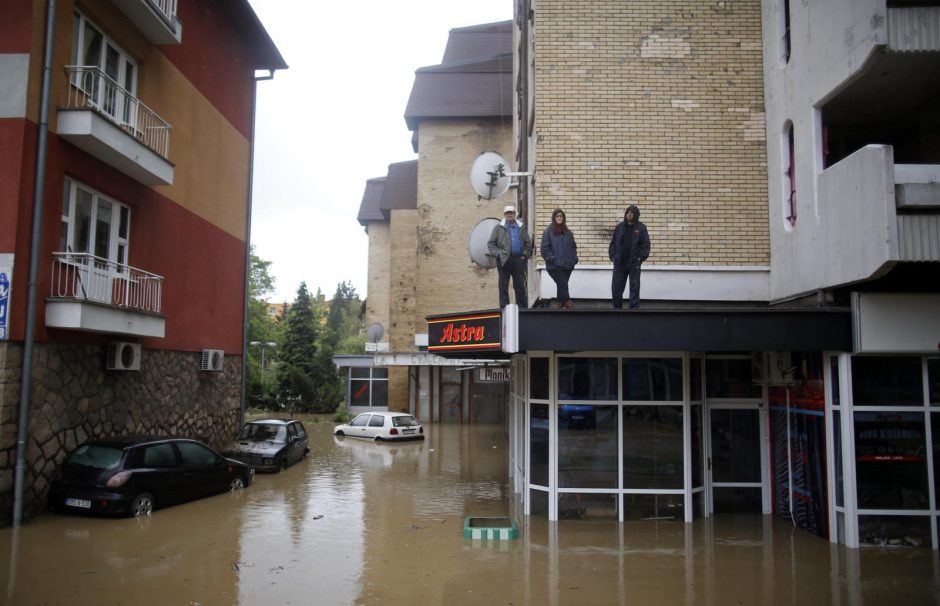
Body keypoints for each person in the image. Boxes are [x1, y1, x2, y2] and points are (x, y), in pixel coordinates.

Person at [488, 205, 533, 308]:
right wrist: (498, 254)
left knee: (520, 286)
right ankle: (504, 308)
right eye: (507, 213)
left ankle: (522, 309)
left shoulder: (521, 227)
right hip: (504, 260)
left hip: (518, 260)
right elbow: (491, 244)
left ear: (514, 214)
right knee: (503, 286)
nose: (509, 215)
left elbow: (528, 243)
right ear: (504, 215)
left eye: (511, 213)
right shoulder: (498, 228)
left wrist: (525, 255)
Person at [608, 204, 650, 309]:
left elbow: (646, 245)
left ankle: (634, 312)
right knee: (616, 289)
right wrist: (613, 256)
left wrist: (640, 258)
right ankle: (617, 310)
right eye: (628, 212)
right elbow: (613, 243)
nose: (629, 214)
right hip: (619, 263)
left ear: (636, 215)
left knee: (634, 289)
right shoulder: (619, 227)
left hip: (634, 264)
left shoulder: (641, 228)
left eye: (632, 213)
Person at [540, 209, 578, 308]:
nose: (559, 218)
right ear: (554, 218)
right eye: (557, 216)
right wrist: (553, 259)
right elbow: (544, 250)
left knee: (561, 286)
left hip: (567, 265)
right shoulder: (548, 232)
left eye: (561, 216)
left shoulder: (568, 232)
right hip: (554, 266)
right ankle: (568, 302)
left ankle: (560, 304)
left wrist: (574, 259)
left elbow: (573, 246)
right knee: (563, 285)